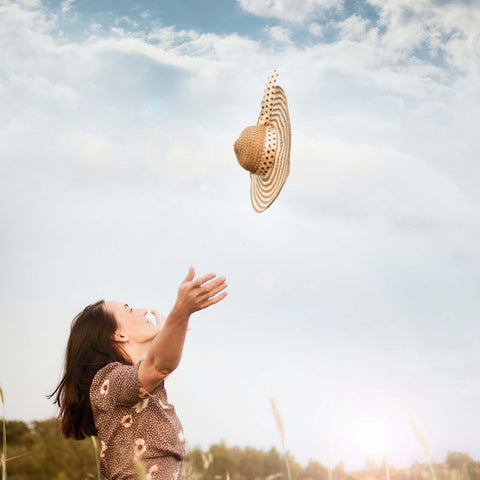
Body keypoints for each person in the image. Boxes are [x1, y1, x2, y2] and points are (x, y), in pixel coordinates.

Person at [50, 267, 228, 480]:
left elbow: (157, 367)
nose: (143, 310)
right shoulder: (108, 381)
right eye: (129, 309)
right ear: (119, 334)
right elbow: (159, 366)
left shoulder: (137, 386)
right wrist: (180, 312)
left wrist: (171, 330)